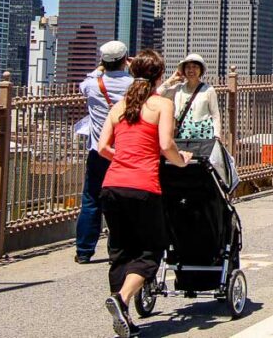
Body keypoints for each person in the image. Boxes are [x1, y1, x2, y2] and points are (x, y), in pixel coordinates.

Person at [97, 50, 191, 338]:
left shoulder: (119, 107)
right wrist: (182, 160)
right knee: (151, 250)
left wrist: (124, 157)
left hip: (111, 186)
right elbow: (166, 144)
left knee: (121, 251)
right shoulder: (162, 105)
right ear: (159, 76)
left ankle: (122, 315)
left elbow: (102, 148)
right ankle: (122, 299)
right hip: (143, 186)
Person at [74, 40, 134, 265]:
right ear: (125, 59)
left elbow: (86, 81)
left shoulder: (91, 85)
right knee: (123, 200)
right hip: (125, 150)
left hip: (99, 150)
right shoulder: (133, 85)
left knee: (91, 199)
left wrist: (100, 68)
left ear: (103, 61)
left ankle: (84, 250)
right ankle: (117, 249)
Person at [157, 53, 222, 140]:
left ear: (201, 70)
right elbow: (158, 94)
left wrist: (217, 135)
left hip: (204, 135)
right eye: (188, 67)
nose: (191, 70)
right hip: (183, 134)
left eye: (195, 67)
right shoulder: (178, 88)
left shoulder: (208, 89)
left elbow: (215, 114)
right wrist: (171, 79)